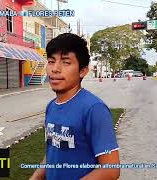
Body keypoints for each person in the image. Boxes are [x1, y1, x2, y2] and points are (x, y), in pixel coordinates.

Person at [30, 33, 120, 180]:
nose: (55, 69)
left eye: (66, 62)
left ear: (83, 71)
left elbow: (111, 170)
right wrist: (36, 176)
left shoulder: (94, 109)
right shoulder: (51, 107)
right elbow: (54, 151)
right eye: (51, 61)